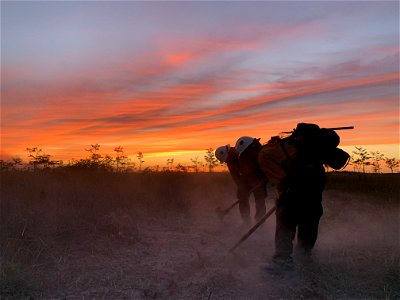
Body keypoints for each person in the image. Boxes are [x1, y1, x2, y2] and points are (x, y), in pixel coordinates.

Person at [235, 123, 348, 272]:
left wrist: (281, 199)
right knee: (309, 221)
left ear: (251, 149)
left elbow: (281, 180)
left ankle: (282, 262)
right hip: (314, 187)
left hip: (294, 192)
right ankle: (304, 256)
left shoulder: (265, 155)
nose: (246, 160)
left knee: (285, 224)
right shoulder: (288, 144)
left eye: (245, 156)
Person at [215, 143, 268, 224]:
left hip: (257, 179)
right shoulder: (230, 161)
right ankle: (246, 222)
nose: (227, 161)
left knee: (260, 200)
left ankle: (260, 223)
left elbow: (259, 165)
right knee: (242, 199)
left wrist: (262, 179)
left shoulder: (243, 152)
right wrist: (241, 188)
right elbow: (235, 177)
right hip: (245, 181)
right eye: (226, 160)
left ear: (230, 152)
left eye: (227, 159)